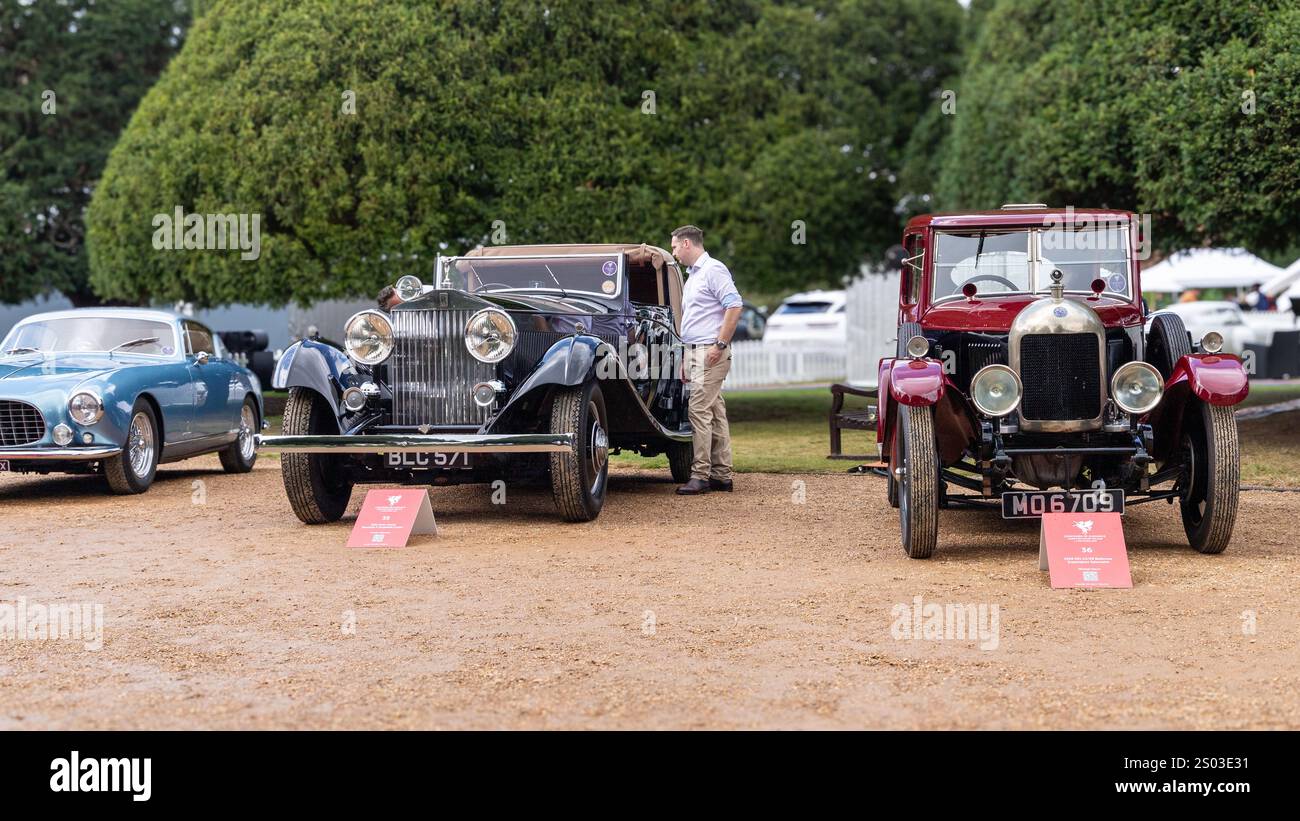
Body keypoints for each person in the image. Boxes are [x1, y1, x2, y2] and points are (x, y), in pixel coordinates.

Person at [669, 224, 743, 495]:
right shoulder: (694, 276)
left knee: (697, 410)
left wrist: (719, 344)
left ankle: (700, 475)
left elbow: (734, 305)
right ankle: (722, 475)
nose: (674, 252)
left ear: (687, 244)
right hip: (696, 351)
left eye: (675, 246)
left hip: (710, 352)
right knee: (714, 412)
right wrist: (686, 356)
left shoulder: (713, 270)